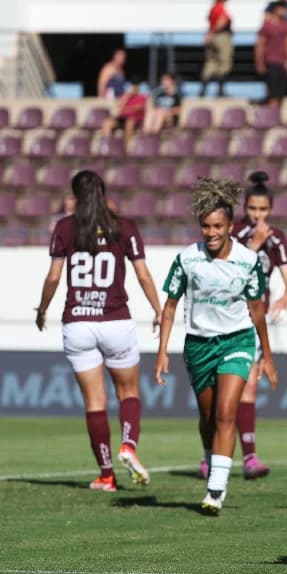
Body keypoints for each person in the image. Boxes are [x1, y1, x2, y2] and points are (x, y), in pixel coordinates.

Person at [155, 177, 278, 515]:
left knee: (226, 413)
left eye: (218, 226)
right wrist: (162, 351)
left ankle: (215, 491)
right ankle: (212, 460)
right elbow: (170, 306)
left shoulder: (247, 261)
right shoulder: (187, 259)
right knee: (208, 417)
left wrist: (266, 355)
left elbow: (257, 310)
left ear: (229, 226)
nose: (211, 233)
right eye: (206, 226)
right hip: (198, 346)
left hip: (237, 341)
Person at [35, 170, 163, 492]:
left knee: (95, 402)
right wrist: (159, 311)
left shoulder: (65, 227)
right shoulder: (125, 226)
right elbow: (144, 275)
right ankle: (128, 446)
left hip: (77, 323)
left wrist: (42, 309)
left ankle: (106, 474)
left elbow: (53, 277)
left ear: (75, 196)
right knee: (129, 393)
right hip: (116, 321)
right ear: (104, 194)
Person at [197, 171, 287, 480]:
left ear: (270, 210)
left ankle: (250, 457)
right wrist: (254, 246)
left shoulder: (277, 237)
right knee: (215, 395)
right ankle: (209, 455)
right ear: (245, 209)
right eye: (252, 209)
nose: (257, 215)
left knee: (249, 388)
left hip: (252, 320)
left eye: (263, 210)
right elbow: (225, 271)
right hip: (223, 317)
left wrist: (284, 298)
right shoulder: (235, 234)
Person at [255, 1, 287, 107]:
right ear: (276, 9)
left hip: (283, 63)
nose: (285, 11)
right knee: (272, 93)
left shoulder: (286, 26)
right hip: (271, 61)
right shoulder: (267, 26)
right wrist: (259, 62)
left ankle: (276, 116)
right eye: (282, 8)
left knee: (281, 94)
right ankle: (271, 118)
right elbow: (260, 45)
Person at [200, 0, 233, 97]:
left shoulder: (213, 7)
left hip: (212, 36)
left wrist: (210, 34)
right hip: (221, 36)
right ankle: (220, 91)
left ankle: (203, 90)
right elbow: (221, 21)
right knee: (224, 62)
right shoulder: (220, 7)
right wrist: (213, 32)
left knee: (211, 62)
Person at [100, 81, 147, 146]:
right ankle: (108, 145)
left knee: (130, 123)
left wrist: (126, 108)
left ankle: (124, 147)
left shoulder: (142, 97)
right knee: (107, 123)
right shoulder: (125, 96)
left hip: (134, 119)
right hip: (122, 118)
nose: (132, 88)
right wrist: (127, 97)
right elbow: (119, 105)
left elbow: (138, 108)